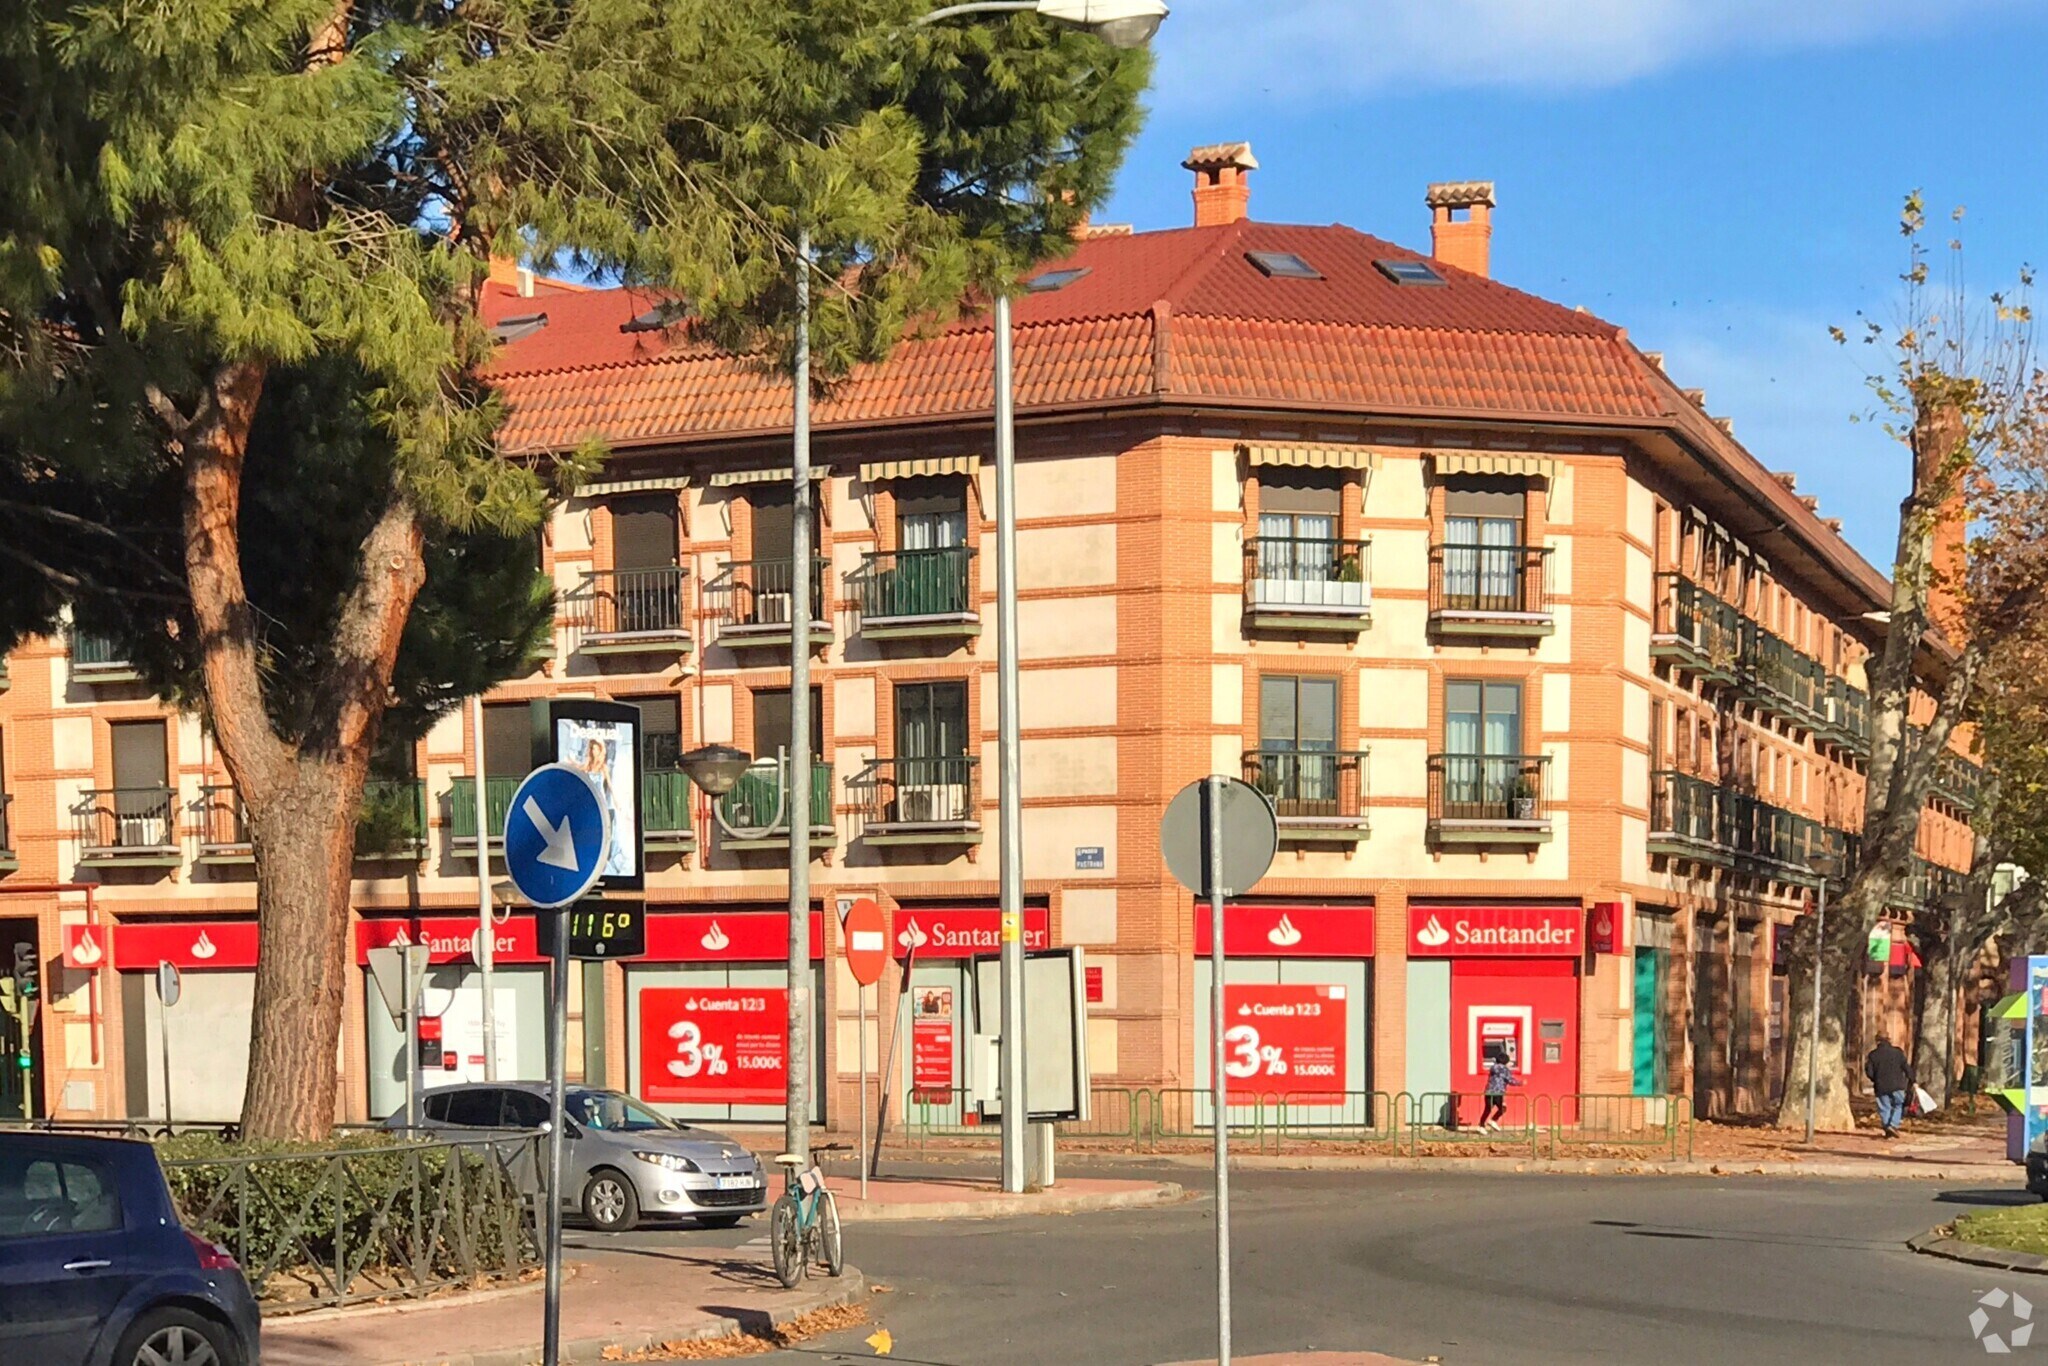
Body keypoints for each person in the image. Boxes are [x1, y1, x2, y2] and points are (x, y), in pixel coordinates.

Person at [1865, 1033, 1913, 1139]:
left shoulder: (1873, 1055)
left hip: (1881, 1086)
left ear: (1877, 1041)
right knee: (1898, 1105)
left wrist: (1875, 1079)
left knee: (1884, 1107)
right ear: (1889, 1040)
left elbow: (1869, 1072)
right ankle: (1893, 1125)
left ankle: (1888, 1128)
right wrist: (1912, 1079)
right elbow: (1906, 1067)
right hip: (1898, 1085)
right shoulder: (1898, 1052)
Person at [1480, 1048, 1521, 1132]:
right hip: (1498, 1092)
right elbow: (1509, 1080)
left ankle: (1481, 1126)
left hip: (1489, 1091)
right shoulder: (1504, 1069)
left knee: (1487, 1109)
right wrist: (1520, 1083)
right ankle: (1493, 1120)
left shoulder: (1493, 1067)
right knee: (1502, 1108)